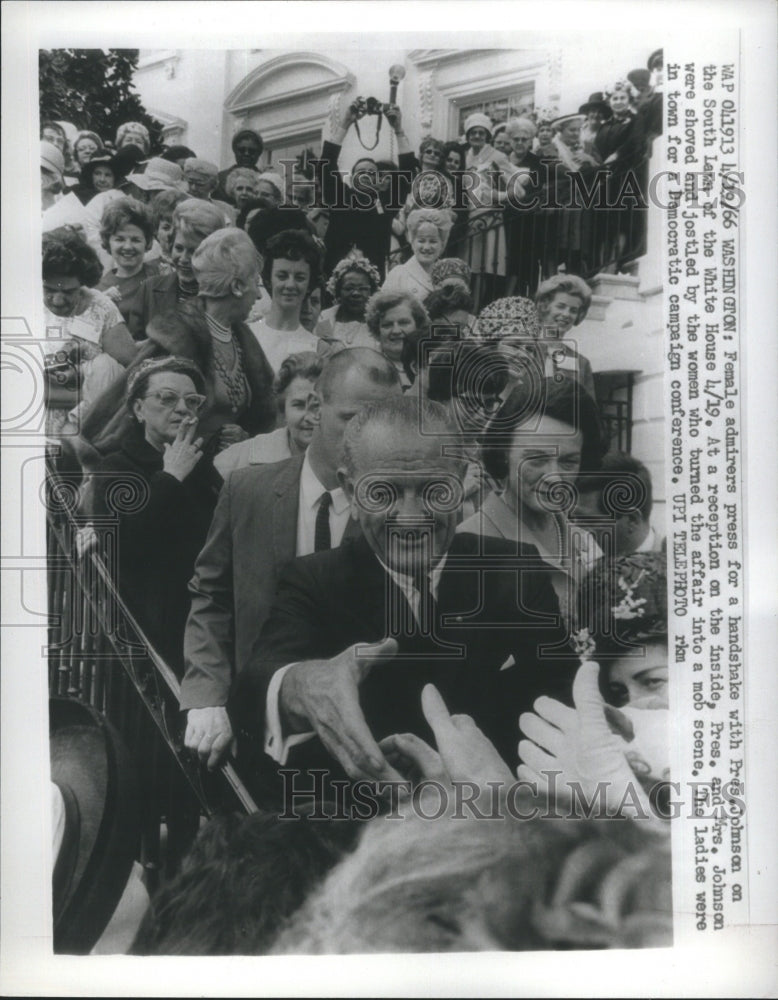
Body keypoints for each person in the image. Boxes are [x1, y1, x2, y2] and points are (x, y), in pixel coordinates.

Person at [231, 397, 575, 792]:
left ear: (461, 480)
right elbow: (255, 686)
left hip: (493, 825)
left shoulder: (513, 569)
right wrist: (301, 684)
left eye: (433, 490)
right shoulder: (315, 580)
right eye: (384, 493)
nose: (411, 517)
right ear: (350, 491)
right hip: (368, 832)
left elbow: (562, 692)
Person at [181, 349, 403, 768]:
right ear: (317, 407)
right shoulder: (247, 490)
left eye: (384, 423)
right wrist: (206, 695)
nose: (371, 438)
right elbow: (212, 596)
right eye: (353, 419)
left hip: (361, 744)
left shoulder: (398, 514)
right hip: (251, 730)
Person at [80, 228, 276, 466]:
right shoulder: (178, 338)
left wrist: (243, 437)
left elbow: (258, 415)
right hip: (172, 473)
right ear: (236, 286)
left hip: (225, 473)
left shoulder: (243, 340)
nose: (258, 296)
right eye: (256, 283)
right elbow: (125, 417)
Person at [89, 357, 222, 668]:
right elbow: (124, 544)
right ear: (138, 409)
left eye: (192, 401)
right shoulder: (117, 467)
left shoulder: (200, 464)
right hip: (149, 627)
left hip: (204, 618)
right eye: (166, 398)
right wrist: (169, 478)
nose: (181, 408)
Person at [459, 377, 604, 627]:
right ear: (504, 453)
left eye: (569, 462)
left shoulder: (583, 541)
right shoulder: (467, 547)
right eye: (536, 460)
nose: (555, 477)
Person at [43, 228, 138, 436]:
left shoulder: (100, 306)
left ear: (82, 282)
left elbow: (129, 368)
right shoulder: (18, 303)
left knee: (107, 364)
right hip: (33, 416)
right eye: (49, 290)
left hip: (89, 421)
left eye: (68, 291)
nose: (58, 301)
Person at [319, 102, 414, 279]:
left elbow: (408, 173)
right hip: (334, 279)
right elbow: (326, 165)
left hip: (371, 283)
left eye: (372, 173)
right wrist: (345, 123)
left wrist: (398, 129)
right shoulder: (340, 197)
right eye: (361, 172)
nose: (366, 176)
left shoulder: (386, 203)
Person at [214, 351, 323, 477]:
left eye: (316, 406)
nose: (308, 417)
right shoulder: (240, 459)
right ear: (284, 410)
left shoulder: (345, 462)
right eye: (299, 405)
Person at [135, 198, 227, 330]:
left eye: (194, 251)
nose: (184, 259)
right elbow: (133, 345)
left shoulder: (224, 299)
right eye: (179, 248)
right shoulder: (149, 289)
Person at [462, 112, 516, 302]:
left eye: (481, 133)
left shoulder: (497, 156)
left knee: (484, 266)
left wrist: (495, 196)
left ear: (487, 136)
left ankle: (476, 307)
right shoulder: (464, 156)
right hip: (468, 215)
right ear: (468, 135)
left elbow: (517, 188)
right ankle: (467, 306)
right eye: (473, 133)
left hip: (489, 215)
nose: (477, 136)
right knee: (469, 266)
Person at [249, 228, 321, 371]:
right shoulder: (247, 335)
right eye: (282, 276)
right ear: (269, 279)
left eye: (300, 278)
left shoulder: (318, 348)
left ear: (309, 284)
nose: (290, 285)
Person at [573, 451, 663, 556]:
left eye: (587, 521)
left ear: (632, 520)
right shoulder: (584, 564)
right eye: (575, 519)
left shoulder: (676, 564)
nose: (576, 531)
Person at [96, 196, 161, 338]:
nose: (128, 247)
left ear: (148, 242)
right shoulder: (100, 288)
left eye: (136, 240)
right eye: (119, 239)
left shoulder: (158, 274)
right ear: (108, 242)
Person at [533, 274, 596, 397]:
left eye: (573, 310)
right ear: (545, 306)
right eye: (561, 306)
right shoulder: (522, 352)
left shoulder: (582, 363)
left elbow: (588, 411)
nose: (566, 314)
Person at [314, 250, 381, 353]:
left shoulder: (379, 323)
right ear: (337, 291)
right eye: (349, 288)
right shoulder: (323, 319)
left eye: (362, 288)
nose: (356, 293)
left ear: (372, 292)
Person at [364, 289, 429, 389]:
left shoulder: (431, 362)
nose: (396, 331)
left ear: (418, 325)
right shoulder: (367, 367)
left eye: (403, 323)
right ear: (377, 330)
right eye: (387, 325)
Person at [381, 208, 451, 301]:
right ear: (412, 242)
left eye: (433, 241)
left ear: (442, 244)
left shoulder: (447, 274)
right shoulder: (398, 275)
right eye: (421, 241)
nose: (426, 247)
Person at [213, 128, 264, 205]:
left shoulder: (264, 180)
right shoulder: (220, 179)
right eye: (242, 150)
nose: (246, 154)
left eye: (252, 151)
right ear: (235, 151)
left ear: (258, 153)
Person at [182, 159, 235, 224]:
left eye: (200, 184)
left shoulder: (225, 209)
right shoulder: (176, 204)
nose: (193, 188)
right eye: (190, 182)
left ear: (213, 186)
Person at [148, 188, 189, 271]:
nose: (171, 233)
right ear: (156, 231)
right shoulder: (147, 266)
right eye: (166, 228)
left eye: (178, 228)